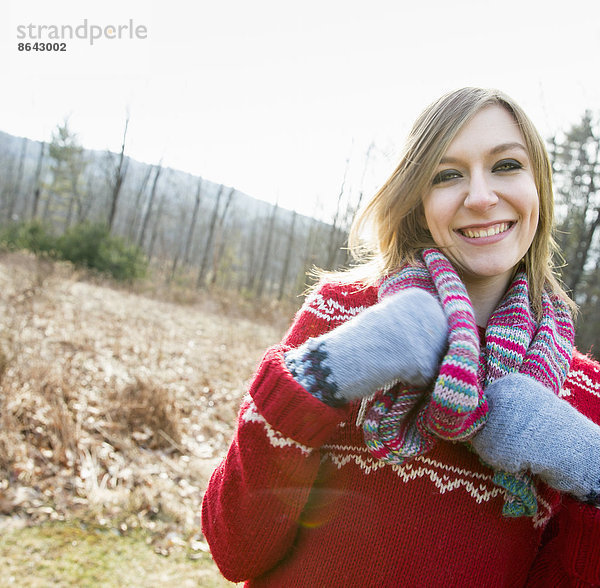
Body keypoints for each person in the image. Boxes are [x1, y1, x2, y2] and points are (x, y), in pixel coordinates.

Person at [202, 87, 600, 587]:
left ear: (538, 185)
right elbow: (235, 548)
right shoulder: (342, 313)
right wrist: (330, 371)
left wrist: (590, 467)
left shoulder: (581, 393)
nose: (480, 196)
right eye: (447, 175)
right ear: (418, 200)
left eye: (505, 166)